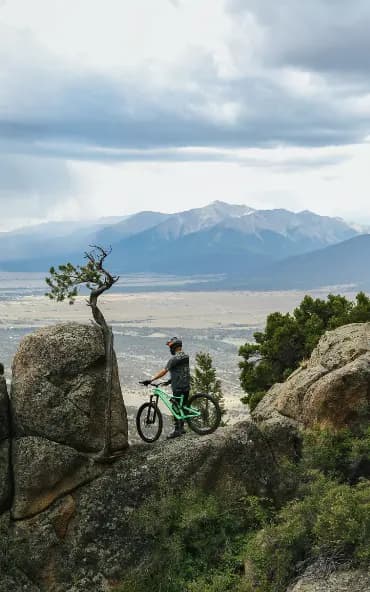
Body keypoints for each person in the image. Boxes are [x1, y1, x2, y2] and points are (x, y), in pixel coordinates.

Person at [142, 337, 190, 439]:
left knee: (175, 407)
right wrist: (169, 381)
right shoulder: (186, 356)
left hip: (178, 387)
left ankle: (178, 430)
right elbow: (181, 370)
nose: (170, 350)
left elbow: (164, 371)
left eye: (170, 347)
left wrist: (151, 380)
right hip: (186, 385)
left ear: (173, 347)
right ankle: (182, 427)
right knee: (182, 406)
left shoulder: (173, 359)